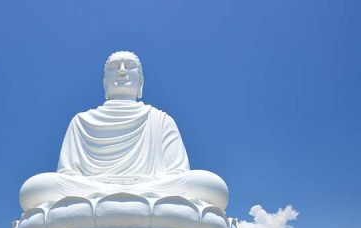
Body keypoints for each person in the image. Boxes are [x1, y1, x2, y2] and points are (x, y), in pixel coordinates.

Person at [19, 51, 230, 211]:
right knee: (34, 189)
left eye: (129, 66)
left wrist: (142, 185)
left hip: (145, 190)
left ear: (141, 82)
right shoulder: (81, 121)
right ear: (105, 82)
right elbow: (67, 175)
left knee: (210, 185)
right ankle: (123, 199)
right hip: (106, 192)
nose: (121, 71)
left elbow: (178, 174)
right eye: (114, 67)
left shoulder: (161, 119)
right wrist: (107, 186)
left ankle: (114, 200)